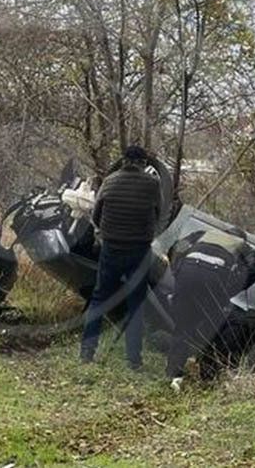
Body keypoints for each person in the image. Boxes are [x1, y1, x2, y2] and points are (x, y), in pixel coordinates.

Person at [80, 145, 163, 370]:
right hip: (139, 250)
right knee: (135, 305)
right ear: (143, 164)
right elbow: (157, 214)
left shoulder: (110, 181)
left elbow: (96, 216)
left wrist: (106, 233)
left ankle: (87, 352)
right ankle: (134, 360)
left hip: (111, 249)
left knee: (99, 299)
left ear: (123, 160)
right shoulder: (152, 184)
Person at [164, 230, 255, 391]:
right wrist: (228, 290)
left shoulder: (203, 233)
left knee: (183, 325)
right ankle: (206, 374)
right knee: (212, 326)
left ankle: (174, 374)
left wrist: (178, 273)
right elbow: (253, 271)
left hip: (186, 273)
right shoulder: (242, 245)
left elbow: (175, 248)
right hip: (214, 277)